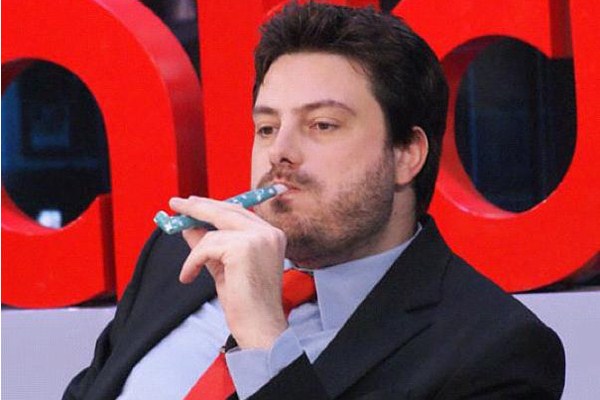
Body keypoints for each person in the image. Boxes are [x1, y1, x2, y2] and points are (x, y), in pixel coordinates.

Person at [64, 2, 565, 399]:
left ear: (406, 155)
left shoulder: (496, 351)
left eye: (322, 125)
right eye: (266, 127)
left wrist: (263, 337)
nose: (279, 151)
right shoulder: (179, 258)